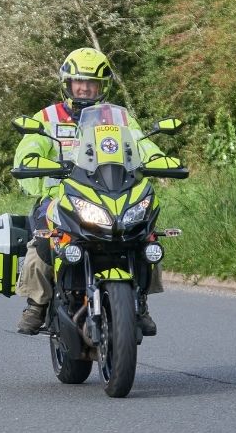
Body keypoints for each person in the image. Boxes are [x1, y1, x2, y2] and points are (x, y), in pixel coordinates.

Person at [13, 47, 165, 335]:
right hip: (59, 194)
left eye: (91, 83)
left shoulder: (118, 118)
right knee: (43, 241)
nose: (84, 87)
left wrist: (158, 159)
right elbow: (29, 148)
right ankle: (37, 303)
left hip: (110, 192)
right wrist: (31, 164)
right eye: (78, 81)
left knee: (146, 233)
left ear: (101, 87)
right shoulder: (47, 117)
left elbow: (141, 143)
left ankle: (140, 301)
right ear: (67, 84)